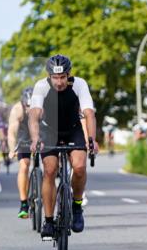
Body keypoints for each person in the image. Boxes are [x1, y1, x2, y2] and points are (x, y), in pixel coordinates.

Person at [28, 55, 98, 239]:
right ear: (49, 76)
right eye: (55, 78)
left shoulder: (80, 85)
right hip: (49, 130)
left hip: (72, 129)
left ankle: (76, 206)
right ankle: (49, 221)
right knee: (50, 170)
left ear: (69, 75)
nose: (59, 82)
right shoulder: (41, 86)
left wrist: (91, 139)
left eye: (62, 77)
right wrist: (35, 138)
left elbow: (89, 113)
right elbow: (34, 115)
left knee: (80, 167)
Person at [8, 87, 35, 218]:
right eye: (27, 106)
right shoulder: (17, 109)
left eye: (32, 106)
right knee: (24, 165)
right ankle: (24, 203)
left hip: (40, 133)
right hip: (23, 136)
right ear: (24, 103)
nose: (30, 109)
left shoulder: (43, 107)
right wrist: (12, 149)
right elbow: (12, 133)